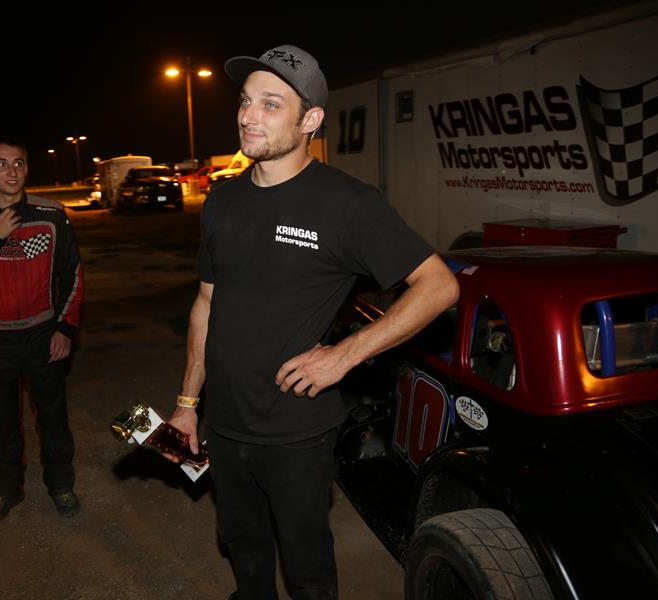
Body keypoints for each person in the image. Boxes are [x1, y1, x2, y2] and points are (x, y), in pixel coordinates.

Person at [167, 45, 459, 599]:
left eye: (270, 104)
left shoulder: (348, 204)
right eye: (245, 101)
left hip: (295, 431)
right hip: (222, 421)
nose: (248, 116)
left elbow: (439, 286)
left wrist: (344, 355)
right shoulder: (222, 202)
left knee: (306, 566)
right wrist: (187, 404)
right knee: (241, 543)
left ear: (310, 120)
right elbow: (206, 305)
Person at [0, 137, 84, 525]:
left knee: (53, 418)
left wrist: (65, 328)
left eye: (19, 163)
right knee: (5, 422)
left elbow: (72, 274)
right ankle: (7, 490)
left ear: (27, 168)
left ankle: (61, 485)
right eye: (2, 164)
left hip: (43, 334)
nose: (12, 171)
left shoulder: (51, 215)